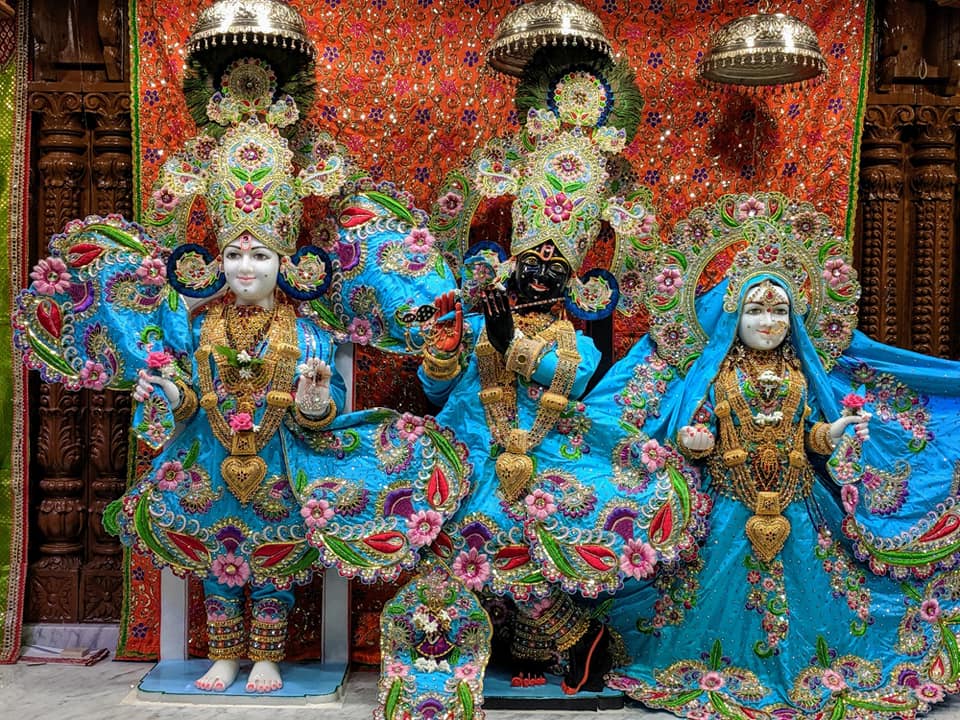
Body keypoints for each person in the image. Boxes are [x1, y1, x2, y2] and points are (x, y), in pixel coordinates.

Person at [599, 192, 960, 719]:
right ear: (730, 317)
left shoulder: (799, 373)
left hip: (798, 503)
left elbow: (809, 434)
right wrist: (695, 442)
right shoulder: (717, 372)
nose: (767, 322)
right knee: (701, 604)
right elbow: (691, 426)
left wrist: (830, 432)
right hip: (727, 501)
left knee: (825, 599)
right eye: (754, 309)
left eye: (779, 310)